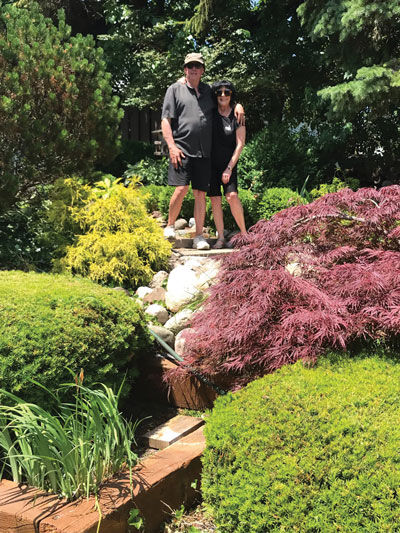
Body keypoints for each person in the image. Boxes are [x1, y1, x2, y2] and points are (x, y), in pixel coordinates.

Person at [161, 53, 244, 250]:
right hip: (181, 149)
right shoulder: (174, 89)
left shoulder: (208, 91)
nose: (193, 69)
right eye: (190, 66)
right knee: (181, 189)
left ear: (203, 70)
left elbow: (225, 99)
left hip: (204, 153)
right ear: (185, 69)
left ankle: (199, 235)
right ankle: (170, 225)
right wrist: (171, 146)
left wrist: (238, 104)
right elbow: (166, 120)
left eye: (197, 66)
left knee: (200, 194)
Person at [209, 80, 247, 249]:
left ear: (232, 95)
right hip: (210, 164)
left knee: (232, 196)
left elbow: (240, 144)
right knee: (215, 200)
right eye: (219, 92)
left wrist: (229, 168)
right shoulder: (210, 112)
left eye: (227, 92)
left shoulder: (238, 116)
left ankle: (245, 234)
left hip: (229, 164)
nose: (223, 95)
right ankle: (221, 238)